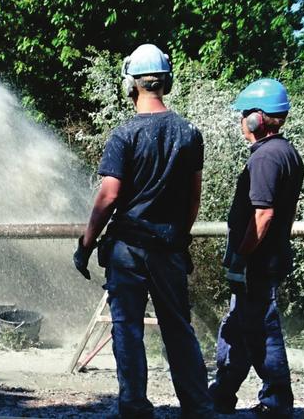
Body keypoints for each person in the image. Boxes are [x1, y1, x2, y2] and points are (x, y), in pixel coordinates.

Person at [73, 43, 214, 419]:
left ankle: (135, 407)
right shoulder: (189, 133)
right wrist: (179, 239)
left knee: (128, 330)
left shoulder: (124, 135)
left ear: (131, 85)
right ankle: (198, 407)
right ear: (165, 83)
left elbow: (109, 195)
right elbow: (193, 197)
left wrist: (85, 245)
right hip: (168, 247)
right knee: (178, 329)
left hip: (128, 250)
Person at [209, 79, 303, 418]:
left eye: (245, 114)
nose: (241, 121)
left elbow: (263, 215)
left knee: (263, 332)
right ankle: (221, 393)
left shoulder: (265, 158)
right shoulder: (286, 152)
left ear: (257, 119)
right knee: (238, 328)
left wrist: (242, 256)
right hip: (266, 261)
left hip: (256, 264)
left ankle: (277, 403)